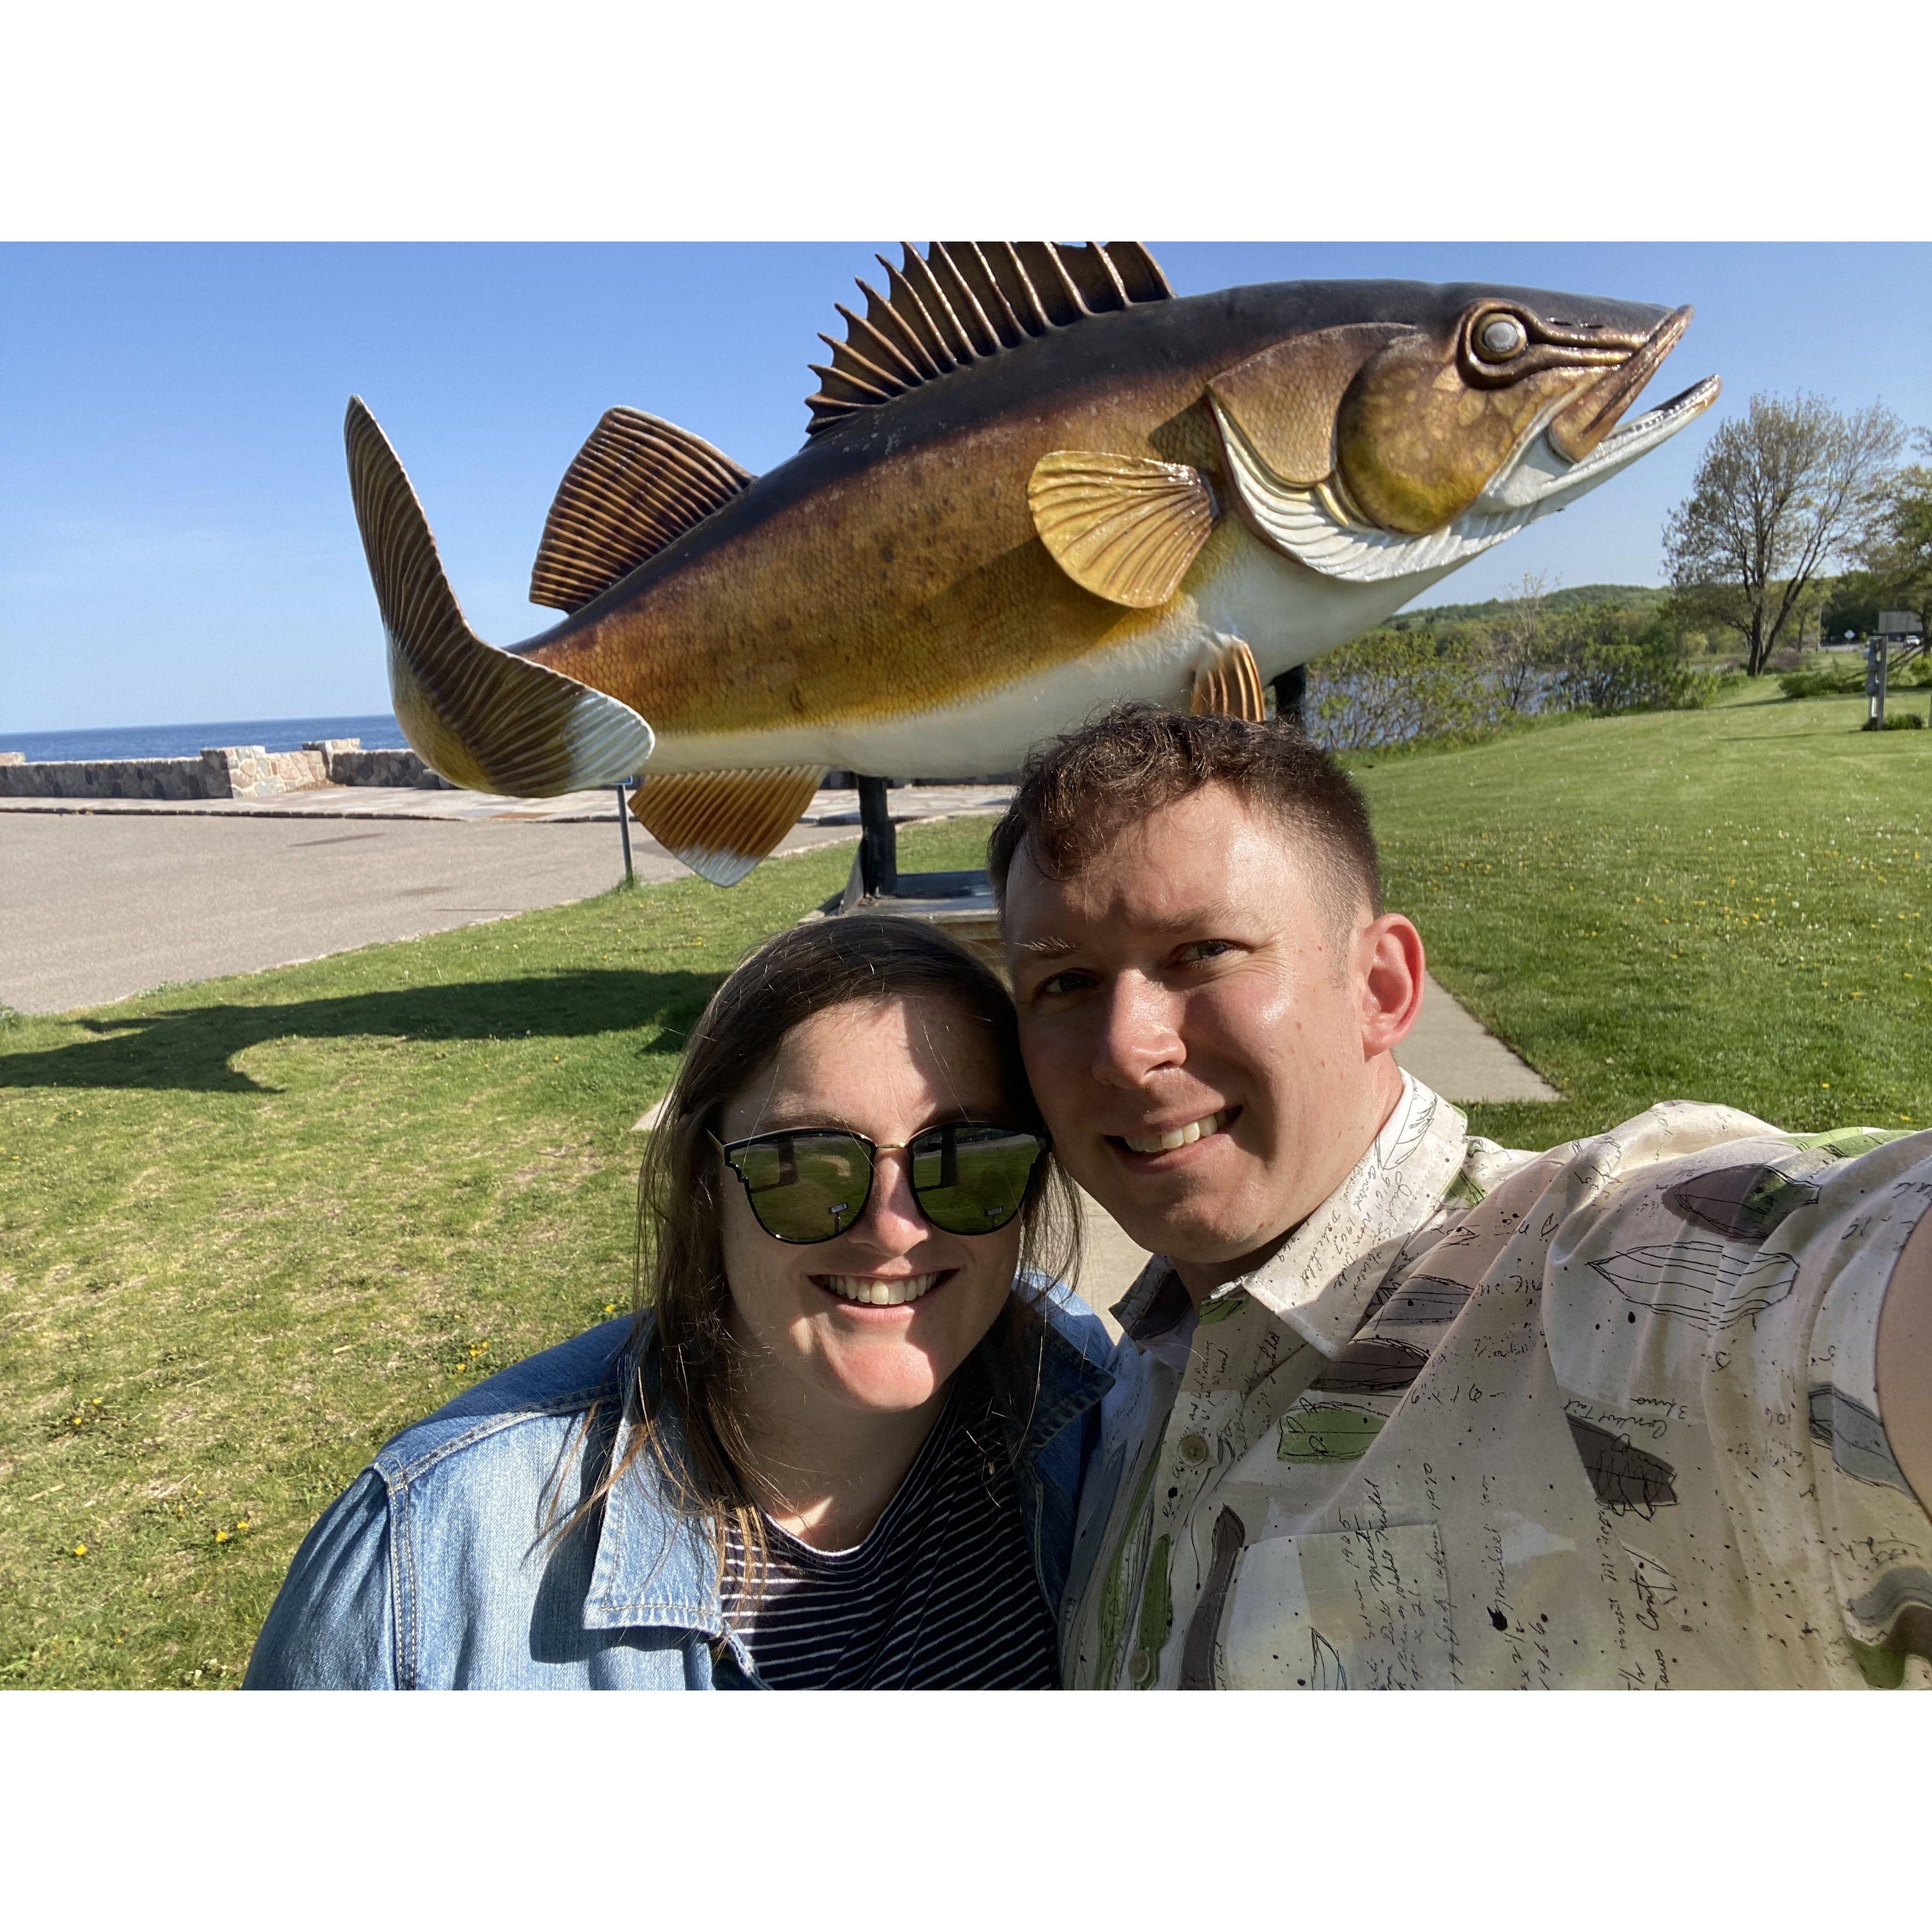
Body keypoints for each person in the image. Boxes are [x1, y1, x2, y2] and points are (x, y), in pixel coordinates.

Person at [991, 704, 1932, 1690]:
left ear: (1381, 988)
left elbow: (1821, 1284)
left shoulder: (1610, 1289)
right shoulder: (1119, 1386)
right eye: (1063, 984)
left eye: (1203, 952)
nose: (1126, 1048)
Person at [245, 915, 1115, 1689]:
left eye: (968, 1158)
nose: (895, 1231)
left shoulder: (1083, 1403)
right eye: (804, 1166)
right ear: (707, 1182)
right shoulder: (429, 1558)